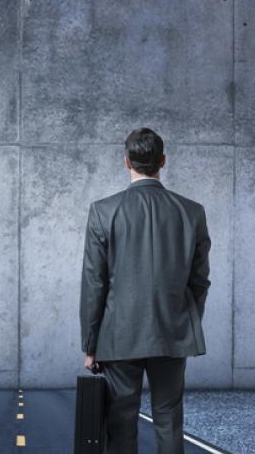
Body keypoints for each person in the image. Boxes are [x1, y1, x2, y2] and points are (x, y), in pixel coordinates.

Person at [80, 128, 211, 454]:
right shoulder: (191, 211)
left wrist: (90, 344)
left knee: (121, 422)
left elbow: (95, 283)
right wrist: (184, 323)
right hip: (173, 331)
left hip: (119, 334)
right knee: (168, 419)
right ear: (163, 161)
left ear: (127, 162)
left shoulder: (103, 210)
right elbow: (199, 279)